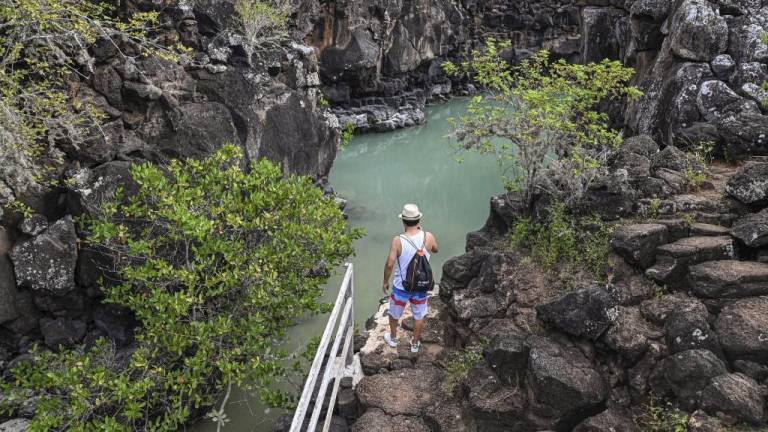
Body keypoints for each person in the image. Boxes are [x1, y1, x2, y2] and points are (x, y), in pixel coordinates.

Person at [382, 203, 439, 353]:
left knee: (394, 313)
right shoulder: (429, 236)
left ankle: (393, 339)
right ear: (419, 220)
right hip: (421, 285)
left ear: (403, 221)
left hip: (402, 286)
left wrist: (385, 281)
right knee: (419, 315)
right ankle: (414, 344)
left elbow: (389, 264)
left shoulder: (398, 240)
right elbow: (436, 249)